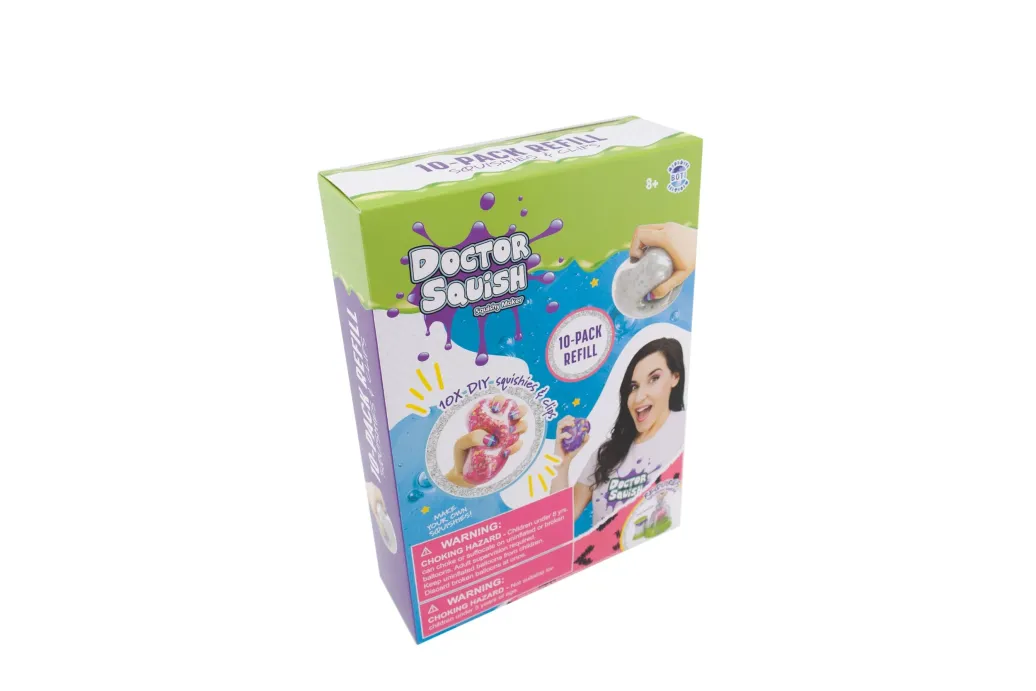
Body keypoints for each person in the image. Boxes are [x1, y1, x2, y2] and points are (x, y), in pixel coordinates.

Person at [549, 337, 686, 526]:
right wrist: (562, 462)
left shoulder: (685, 429)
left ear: (675, 377)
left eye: (654, 379)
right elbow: (559, 523)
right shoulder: (606, 455)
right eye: (634, 387)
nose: (639, 397)